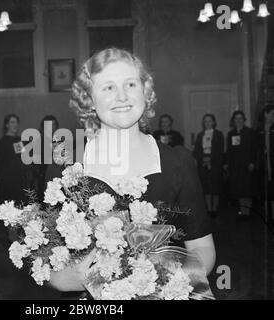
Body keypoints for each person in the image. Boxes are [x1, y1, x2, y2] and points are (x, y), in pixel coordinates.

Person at [48, 48, 215, 293]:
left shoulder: (178, 163)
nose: (122, 96)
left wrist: (157, 286)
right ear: (89, 99)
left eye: (131, 84)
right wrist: (101, 282)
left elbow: (202, 250)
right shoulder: (66, 165)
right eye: (108, 87)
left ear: (145, 93)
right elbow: (55, 271)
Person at [0, 114, 29, 205]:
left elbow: (21, 158)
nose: (15, 125)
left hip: (20, 180)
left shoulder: (19, 140)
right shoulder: (0, 144)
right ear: (7, 125)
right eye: (12, 122)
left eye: (16, 122)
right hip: (8, 181)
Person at [224, 111, 257, 217]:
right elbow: (229, 150)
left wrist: (252, 162)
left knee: (247, 189)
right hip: (235, 166)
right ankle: (243, 212)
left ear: (244, 119)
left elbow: (253, 149)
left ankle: (247, 212)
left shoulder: (250, 131)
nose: (238, 120)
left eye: (240, 118)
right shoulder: (231, 134)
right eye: (236, 118)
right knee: (239, 189)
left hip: (247, 164)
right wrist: (227, 163)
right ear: (233, 120)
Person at [193, 114, 224, 217]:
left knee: (215, 186)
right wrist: (203, 158)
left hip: (215, 163)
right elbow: (196, 150)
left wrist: (211, 158)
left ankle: (214, 208)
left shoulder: (219, 134)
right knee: (205, 186)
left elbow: (220, 150)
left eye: (210, 121)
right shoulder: (200, 135)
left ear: (214, 122)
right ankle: (208, 208)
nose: (207, 123)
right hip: (203, 163)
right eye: (205, 121)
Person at [256, 105, 274, 221]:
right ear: (266, 114)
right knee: (266, 191)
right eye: (272, 114)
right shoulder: (258, 130)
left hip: (272, 164)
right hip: (263, 165)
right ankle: (267, 215)